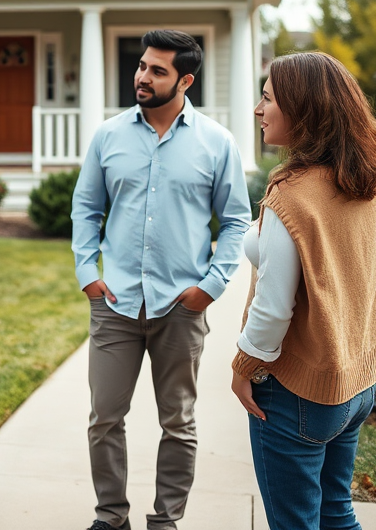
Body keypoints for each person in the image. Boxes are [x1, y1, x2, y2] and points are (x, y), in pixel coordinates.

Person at [72, 29, 252, 530]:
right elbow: (86, 209)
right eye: (142, 66)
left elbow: (236, 220)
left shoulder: (217, 143)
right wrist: (89, 273)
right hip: (116, 305)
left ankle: (165, 521)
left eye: (157, 70)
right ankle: (110, 518)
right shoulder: (108, 135)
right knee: (104, 418)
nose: (142, 76)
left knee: (178, 421)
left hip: (182, 306)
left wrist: (211, 287)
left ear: (185, 80)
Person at [231, 51, 376, 530]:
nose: (258, 110)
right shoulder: (372, 184)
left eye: (267, 99)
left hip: (297, 393)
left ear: (302, 109)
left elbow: (272, 310)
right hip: (355, 384)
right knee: (336, 514)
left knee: (296, 524)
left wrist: (243, 366)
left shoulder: (291, 195)